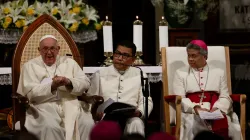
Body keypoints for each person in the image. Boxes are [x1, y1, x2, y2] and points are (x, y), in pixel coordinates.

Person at [17, 35, 94, 140]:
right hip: (42, 107)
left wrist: (68, 82)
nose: (49, 52)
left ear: (58, 49)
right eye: (45, 48)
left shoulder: (70, 63)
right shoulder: (29, 66)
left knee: (87, 123)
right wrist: (52, 86)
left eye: (52, 48)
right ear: (39, 50)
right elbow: (31, 93)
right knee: (50, 127)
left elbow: (85, 83)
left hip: (72, 103)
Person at [172, 40, 242, 140]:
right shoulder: (180, 73)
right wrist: (195, 108)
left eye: (194, 56)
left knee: (232, 126)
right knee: (193, 124)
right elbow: (180, 98)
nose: (190, 59)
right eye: (188, 55)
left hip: (216, 108)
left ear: (205, 56)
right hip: (191, 112)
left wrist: (217, 108)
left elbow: (225, 96)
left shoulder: (219, 72)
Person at [87, 40, 153, 136]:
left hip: (130, 116)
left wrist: (139, 112)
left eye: (125, 55)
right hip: (106, 116)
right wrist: (95, 113)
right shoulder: (100, 74)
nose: (120, 58)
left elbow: (146, 100)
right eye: (118, 54)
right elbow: (91, 98)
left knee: (137, 123)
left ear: (133, 59)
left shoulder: (140, 74)